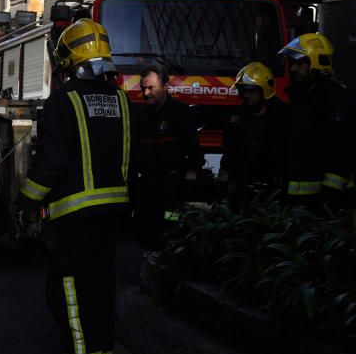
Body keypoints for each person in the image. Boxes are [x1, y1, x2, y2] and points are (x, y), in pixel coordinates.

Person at [20, 19, 132, 354]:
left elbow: (51, 162)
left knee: (68, 288)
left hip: (74, 215)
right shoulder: (119, 99)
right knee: (101, 287)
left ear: (67, 58)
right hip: (112, 212)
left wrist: (27, 198)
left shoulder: (63, 101)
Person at [277, 33, 355, 211]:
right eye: (291, 63)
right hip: (297, 202)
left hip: (327, 204)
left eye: (299, 63)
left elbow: (344, 150)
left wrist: (330, 195)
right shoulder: (299, 98)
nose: (292, 69)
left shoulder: (336, 100)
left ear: (317, 62)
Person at [132, 64, 204, 249]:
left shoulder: (181, 113)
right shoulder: (140, 115)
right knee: (144, 231)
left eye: (151, 88)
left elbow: (194, 151)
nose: (146, 93)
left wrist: (189, 183)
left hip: (172, 186)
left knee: (170, 230)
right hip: (146, 186)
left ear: (165, 86)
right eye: (143, 88)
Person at [218, 62, 286, 210]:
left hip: (273, 191)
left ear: (264, 90)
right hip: (241, 189)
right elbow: (229, 153)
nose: (246, 95)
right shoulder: (237, 118)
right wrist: (222, 185)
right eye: (243, 91)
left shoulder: (281, 117)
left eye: (251, 91)